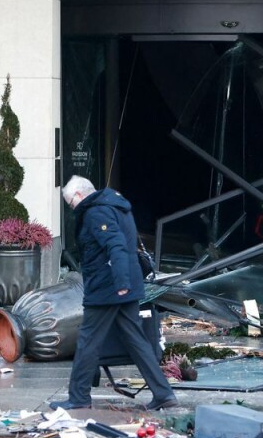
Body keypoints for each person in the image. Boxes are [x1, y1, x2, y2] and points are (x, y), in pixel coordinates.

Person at [50, 175, 178, 411]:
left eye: (70, 204)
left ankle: (78, 396)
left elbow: (116, 245)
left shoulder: (96, 212)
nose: (72, 209)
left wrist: (120, 282)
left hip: (108, 288)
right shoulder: (116, 205)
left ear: (79, 195)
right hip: (124, 286)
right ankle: (163, 393)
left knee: (88, 341)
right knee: (136, 340)